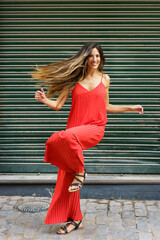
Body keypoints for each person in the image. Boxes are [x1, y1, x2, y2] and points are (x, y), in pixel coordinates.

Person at [32, 42, 143, 235]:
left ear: (101, 58)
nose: (94, 59)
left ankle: (81, 172)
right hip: (73, 130)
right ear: (85, 58)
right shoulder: (73, 80)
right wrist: (44, 100)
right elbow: (58, 105)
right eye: (91, 56)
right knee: (66, 174)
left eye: (97, 56)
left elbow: (106, 106)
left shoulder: (105, 79)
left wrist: (130, 107)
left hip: (94, 128)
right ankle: (76, 219)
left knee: (65, 142)